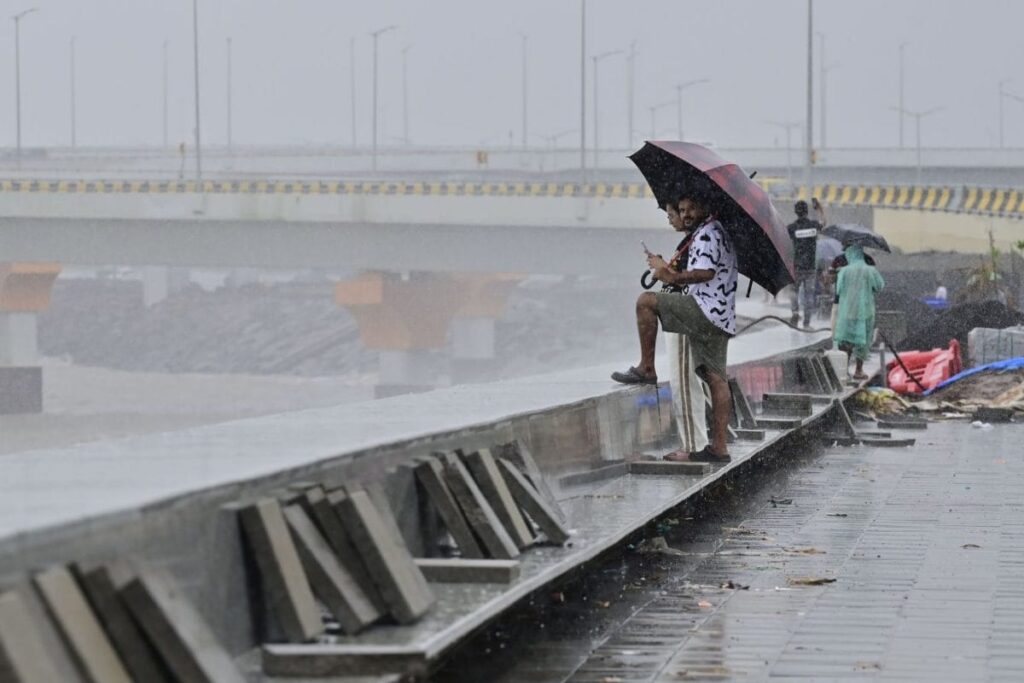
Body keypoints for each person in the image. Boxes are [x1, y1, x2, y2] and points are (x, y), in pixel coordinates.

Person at [611, 191, 738, 463]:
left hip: (703, 309)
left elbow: (704, 273)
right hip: (722, 317)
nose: (685, 215)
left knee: (645, 302)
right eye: (681, 210)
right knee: (717, 378)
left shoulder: (705, 234)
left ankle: (647, 367)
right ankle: (719, 448)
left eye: (691, 208)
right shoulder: (719, 232)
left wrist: (667, 273)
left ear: (706, 205)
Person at [834, 242, 885, 380]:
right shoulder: (870, 270)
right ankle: (859, 370)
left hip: (848, 310)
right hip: (865, 311)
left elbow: (838, 290)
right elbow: (880, 286)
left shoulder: (844, 271)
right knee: (863, 341)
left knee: (846, 341)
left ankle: (843, 371)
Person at [787, 198, 827, 328]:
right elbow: (824, 223)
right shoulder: (813, 226)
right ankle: (807, 322)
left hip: (797, 266)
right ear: (807, 211)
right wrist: (820, 208)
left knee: (793, 290)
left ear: (795, 212)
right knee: (809, 295)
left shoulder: (792, 228)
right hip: (810, 267)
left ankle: (794, 311)